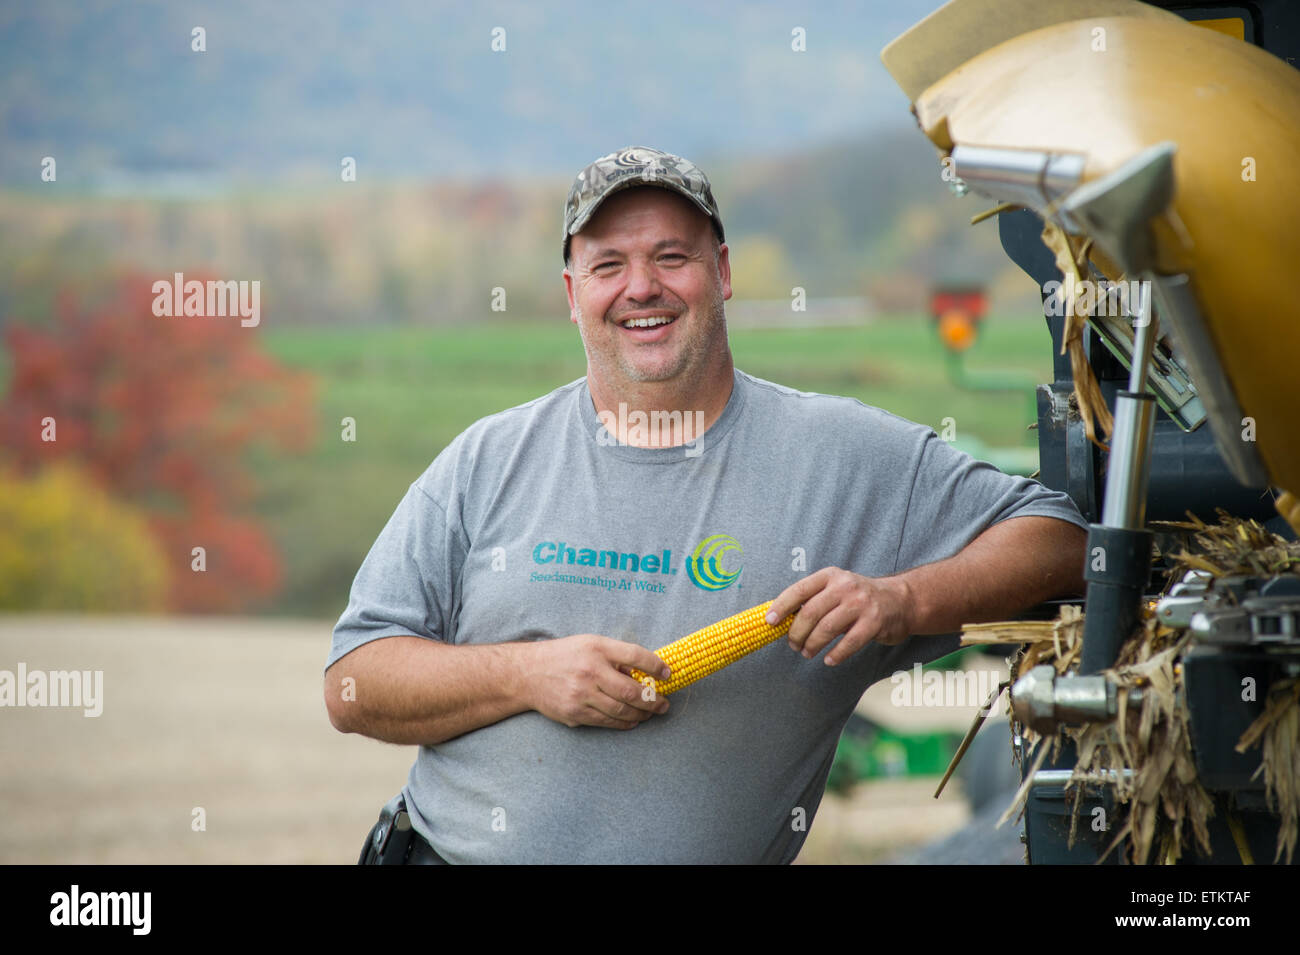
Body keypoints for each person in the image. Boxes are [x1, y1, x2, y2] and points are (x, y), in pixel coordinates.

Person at [325, 145, 1088, 864]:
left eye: (671, 256)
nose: (641, 287)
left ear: (721, 271)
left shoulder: (843, 455)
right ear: (571, 293)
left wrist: (903, 598)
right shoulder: (487, 459)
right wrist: (527, 674)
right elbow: (354, 681)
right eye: (608, 265)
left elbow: (1061, 540)